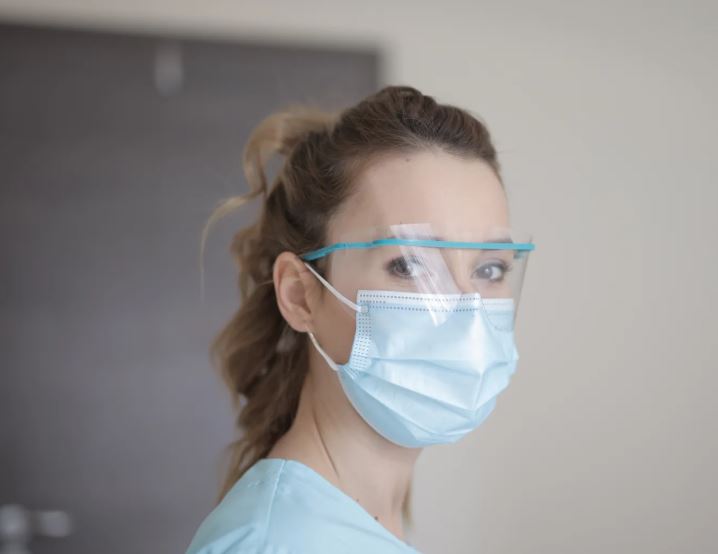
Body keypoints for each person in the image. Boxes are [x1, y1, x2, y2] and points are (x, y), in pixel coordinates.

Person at [185, 85, 534, 553]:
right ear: (300, 295)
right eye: (409, 265)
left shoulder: (356, 524)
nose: (467, 313)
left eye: (489, 269)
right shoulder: (272, 544)